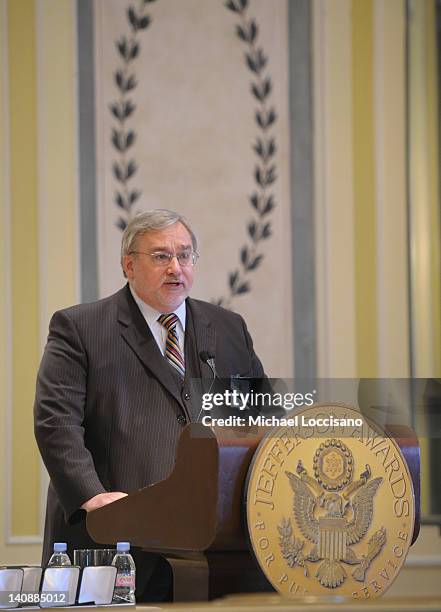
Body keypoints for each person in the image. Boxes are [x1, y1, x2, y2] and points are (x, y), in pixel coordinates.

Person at [34, 209, 266, 601]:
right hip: (114, 539)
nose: (176, 268)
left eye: (185, 255)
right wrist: (94, 497)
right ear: (129, 264)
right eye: (161, 257)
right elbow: (56, 423)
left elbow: (259, 417)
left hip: (212, 545)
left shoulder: (228, 328)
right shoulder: (80, 328)